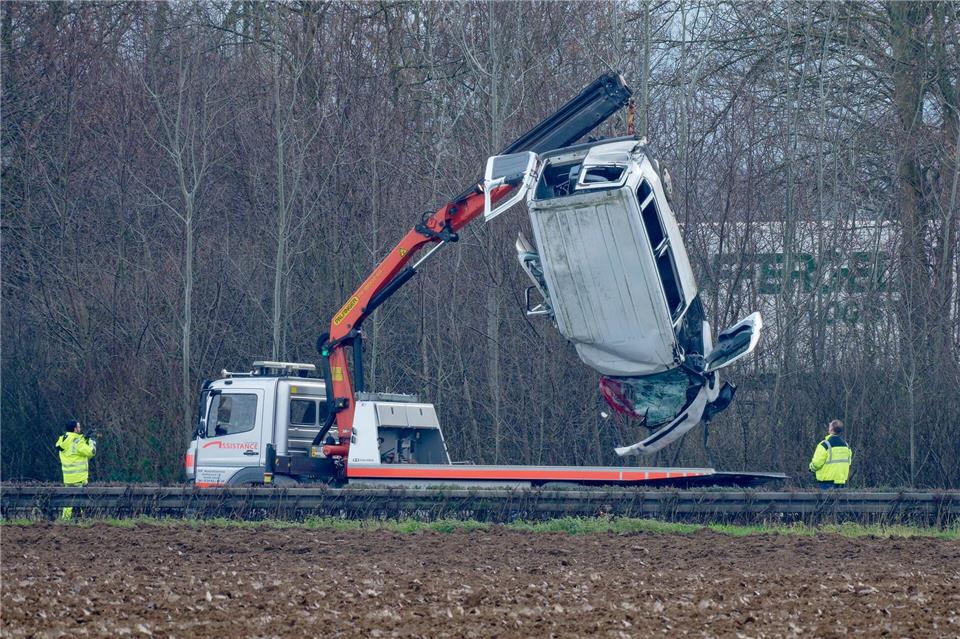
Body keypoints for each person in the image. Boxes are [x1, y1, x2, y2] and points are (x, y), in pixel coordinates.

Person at [54, 420, 97, 519]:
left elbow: (74, 448)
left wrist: (84, 438)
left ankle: (65, 520)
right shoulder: (77, 442)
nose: (80, 429)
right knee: (82, 500)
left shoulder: (63, 440)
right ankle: (84, 520)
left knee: (68, 502)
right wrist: (92, 441)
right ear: (75, 429)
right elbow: (91, 452)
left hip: (68, 477)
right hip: (79, 477)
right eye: (79, 427)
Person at [809, 419, 852, 489]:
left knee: (826, 500)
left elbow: (817, 463)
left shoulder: (824, 445)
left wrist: (811, 468)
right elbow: (848, 462)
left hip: (826, 481)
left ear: (831, 429)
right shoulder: (846, 445)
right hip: (841, 481)